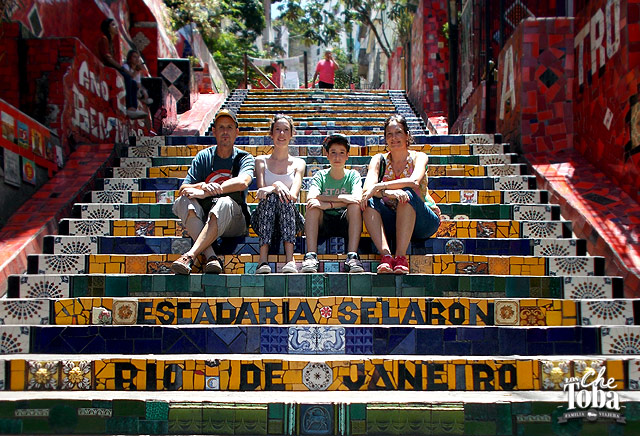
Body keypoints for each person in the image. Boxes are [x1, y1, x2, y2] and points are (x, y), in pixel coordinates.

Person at [171, 110, 255, 274]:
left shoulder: (244, 158)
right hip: (207, 216)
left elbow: (243, 181)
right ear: (214, 131)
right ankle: (211, 257)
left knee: (224, 202)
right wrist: (202, 186)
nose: (225, 132)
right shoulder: (203, 157)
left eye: (230, 127)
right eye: (221, 127)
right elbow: (183, 189)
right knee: (182, 201)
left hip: (235, 220)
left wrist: (211, 192)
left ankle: (190, 255)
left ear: (236, 132)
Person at [360, 114, 441, 274]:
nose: (394, 138)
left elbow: (413, 182)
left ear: (407, 135)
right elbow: (367, 190)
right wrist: (390, 193)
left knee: (407, 194)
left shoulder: (419, 157)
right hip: (392, 220)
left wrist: (382, 187)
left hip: (421, 222)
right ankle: (386, 257)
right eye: (389, 134)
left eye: (398, 133)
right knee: (367, 203)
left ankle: (401, 257)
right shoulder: (379, 160)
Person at [250, 115, 306, 274]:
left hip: (289, 219)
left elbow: (294, 195)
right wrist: (277, 185)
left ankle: (290, 259)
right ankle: (263, 260)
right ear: (271, 134)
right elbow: (262, 191)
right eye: (278, 130)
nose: (281, 134)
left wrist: (276, 186)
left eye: (286, 130)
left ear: (291, 134)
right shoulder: (260, 161)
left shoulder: (298, 163)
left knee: (284, 199)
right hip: (264, 219)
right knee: (271, 198)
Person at [301, 133, 364, 273]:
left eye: (342, 153)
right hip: (324, 221)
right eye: (333, 153)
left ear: (347, 155)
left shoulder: (353, 175)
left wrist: (328, 203)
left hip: (345, 221)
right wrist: (343, 199)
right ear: (327, 155)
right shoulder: (320, 176)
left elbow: (357, 199)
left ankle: (352, 256)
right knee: (312, 207)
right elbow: (311, 197)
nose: (337, 157)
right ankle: (311, 256)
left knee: (354, 207)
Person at [98, 18, 146, 119]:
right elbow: (107, 57)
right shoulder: (104, 39)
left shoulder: (111, 43)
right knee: (127, 78)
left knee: (132, 83)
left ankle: (132, 108)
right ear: (108, 28)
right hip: (107, 69)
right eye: (113, 25)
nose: (116, 27)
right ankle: (129, 107)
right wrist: (122, 68)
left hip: (113, 69)